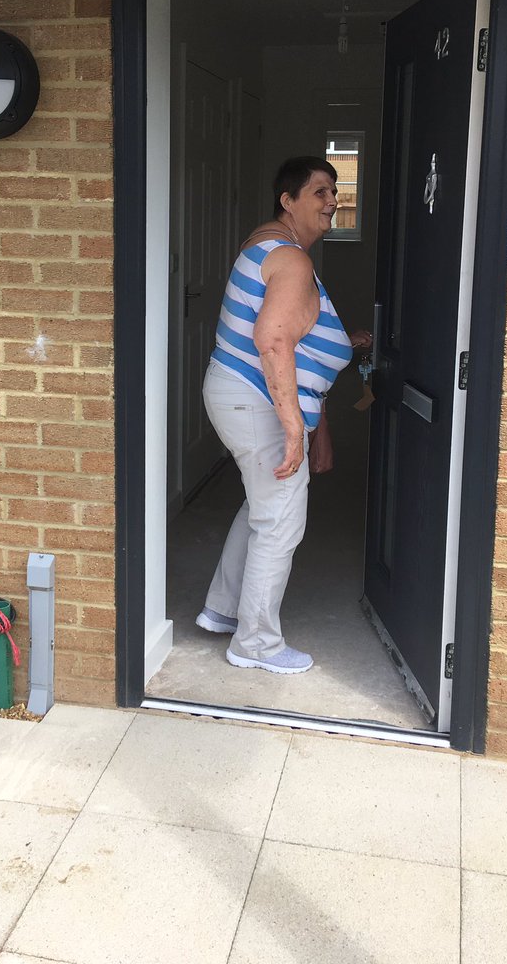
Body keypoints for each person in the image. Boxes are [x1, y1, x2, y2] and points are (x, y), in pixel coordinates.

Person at [196, 156, 373, 674]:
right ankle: (256, 644)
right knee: (279, 523)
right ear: (287, 200)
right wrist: (296, 429)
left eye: (334, 191)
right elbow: (274, 341)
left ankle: (222, 610)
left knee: (261, 508)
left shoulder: (268, 245)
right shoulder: (291, 259)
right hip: (258, 402)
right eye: (319, 192)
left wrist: (343, 343)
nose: (332, 200)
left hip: (242, 395)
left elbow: (294, 334)